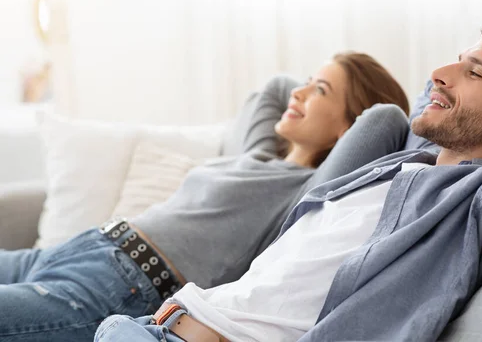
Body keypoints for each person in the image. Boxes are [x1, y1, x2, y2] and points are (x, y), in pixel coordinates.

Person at [95, 20, 482, 342]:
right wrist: (466, 77)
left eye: (476, 73)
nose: (441, 73)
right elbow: (387, 117)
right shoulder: (402, 166)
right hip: (145, 325)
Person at [0, 52, 412, 342]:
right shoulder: (258, 156)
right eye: (305, 84)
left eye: (318, 90)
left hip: (120, 286)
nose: (297, 94)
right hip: (77, 250)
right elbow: (274, 89)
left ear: (347, 129)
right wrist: (319, 86)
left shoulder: (307, 194)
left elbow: (386, 119)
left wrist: (346, 93)